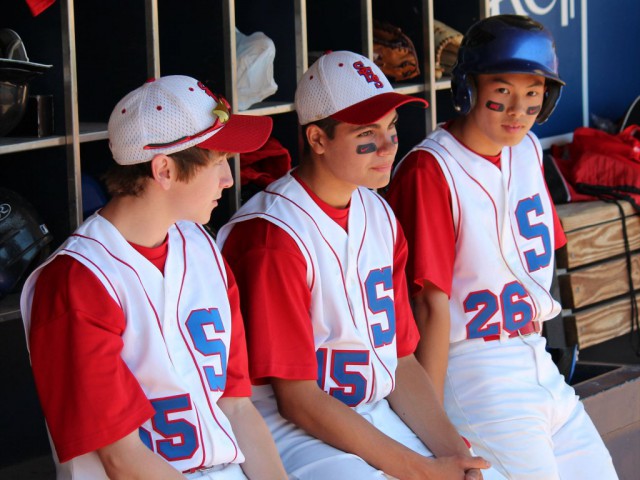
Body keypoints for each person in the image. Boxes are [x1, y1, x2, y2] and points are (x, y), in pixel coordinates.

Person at [218, 50, 504, 480]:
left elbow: (402, 361)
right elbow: (297, 399)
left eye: (391, 128)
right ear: (317, 139)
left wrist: (456, 457)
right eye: (367, 133)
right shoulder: (271, 236)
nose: (389, 146)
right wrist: (422, 471)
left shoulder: (379, 213)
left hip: (377, 411)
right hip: (295, 432)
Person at [20, 75, 288, 480]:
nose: (229, 180)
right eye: (217, 161)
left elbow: (236, 406)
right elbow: (121, 459)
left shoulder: (202, 247)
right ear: (164, 169)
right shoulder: (77, 282)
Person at [386, 15, 618, 480]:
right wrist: (430, 429)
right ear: (469, 88)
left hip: (536, 358)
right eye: (502, 93)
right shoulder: (431, 169)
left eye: (532, 95)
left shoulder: (528, 150)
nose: (517, 111)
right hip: (477, 367)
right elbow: (430, 306)